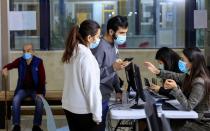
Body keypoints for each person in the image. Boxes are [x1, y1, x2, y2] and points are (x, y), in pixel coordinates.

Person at [144, 47, 210, 131]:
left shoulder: (199, 82)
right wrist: (158, 71)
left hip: (200, 122)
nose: (180, 61)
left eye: (183, 59)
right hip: (191, 118)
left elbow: (188, 106)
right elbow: (175, 76)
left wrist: (175, 88)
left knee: (165, 126)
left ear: (192, 62)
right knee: (160, 123)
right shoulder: (190, 75)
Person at [61, 20, 102, 131]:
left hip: (69, 107)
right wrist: (97, 115)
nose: (99, 39)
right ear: (89, 38)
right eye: (98, 36)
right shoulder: (86, 57)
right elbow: (91, 89)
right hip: (83, 111)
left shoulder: (71, 51)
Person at [91, 15, 130, 131]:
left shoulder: (114, 44)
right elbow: (93, 75)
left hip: (107, 94)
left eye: (125, 33)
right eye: (122, 33)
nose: (124, 36)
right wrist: (113, 67)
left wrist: (118, 89)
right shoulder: (100, 47)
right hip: (98, 96)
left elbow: (113, 72)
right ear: (111, 31)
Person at [2, 43, 46, 131]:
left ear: (33, 52)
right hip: (23, 89)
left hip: (35, 89)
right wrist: (4, 69)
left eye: (28, 50)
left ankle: (36, 126)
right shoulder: (20, 60)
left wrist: (40, 92)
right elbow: (9, 66)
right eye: (24, 51)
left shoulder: (39, 61)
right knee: (15, 100)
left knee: (40, 101)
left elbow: (42, 78)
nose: (26, 53)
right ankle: (16, 125)